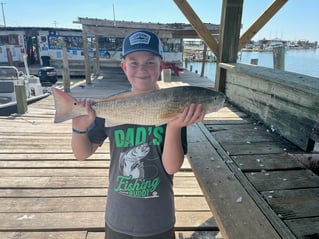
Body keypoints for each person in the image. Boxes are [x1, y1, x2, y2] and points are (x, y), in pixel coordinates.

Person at [71, 29, 205, 239]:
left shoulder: (176, 107)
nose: (142, 68)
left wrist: (174, 126)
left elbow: (171, 167)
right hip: (118, 216)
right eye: (134, 62)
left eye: (150, 62)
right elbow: (82, 153)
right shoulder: (110, 107)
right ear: (124, 67)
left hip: (158, 218)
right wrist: (78, 127)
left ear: (161, 66)